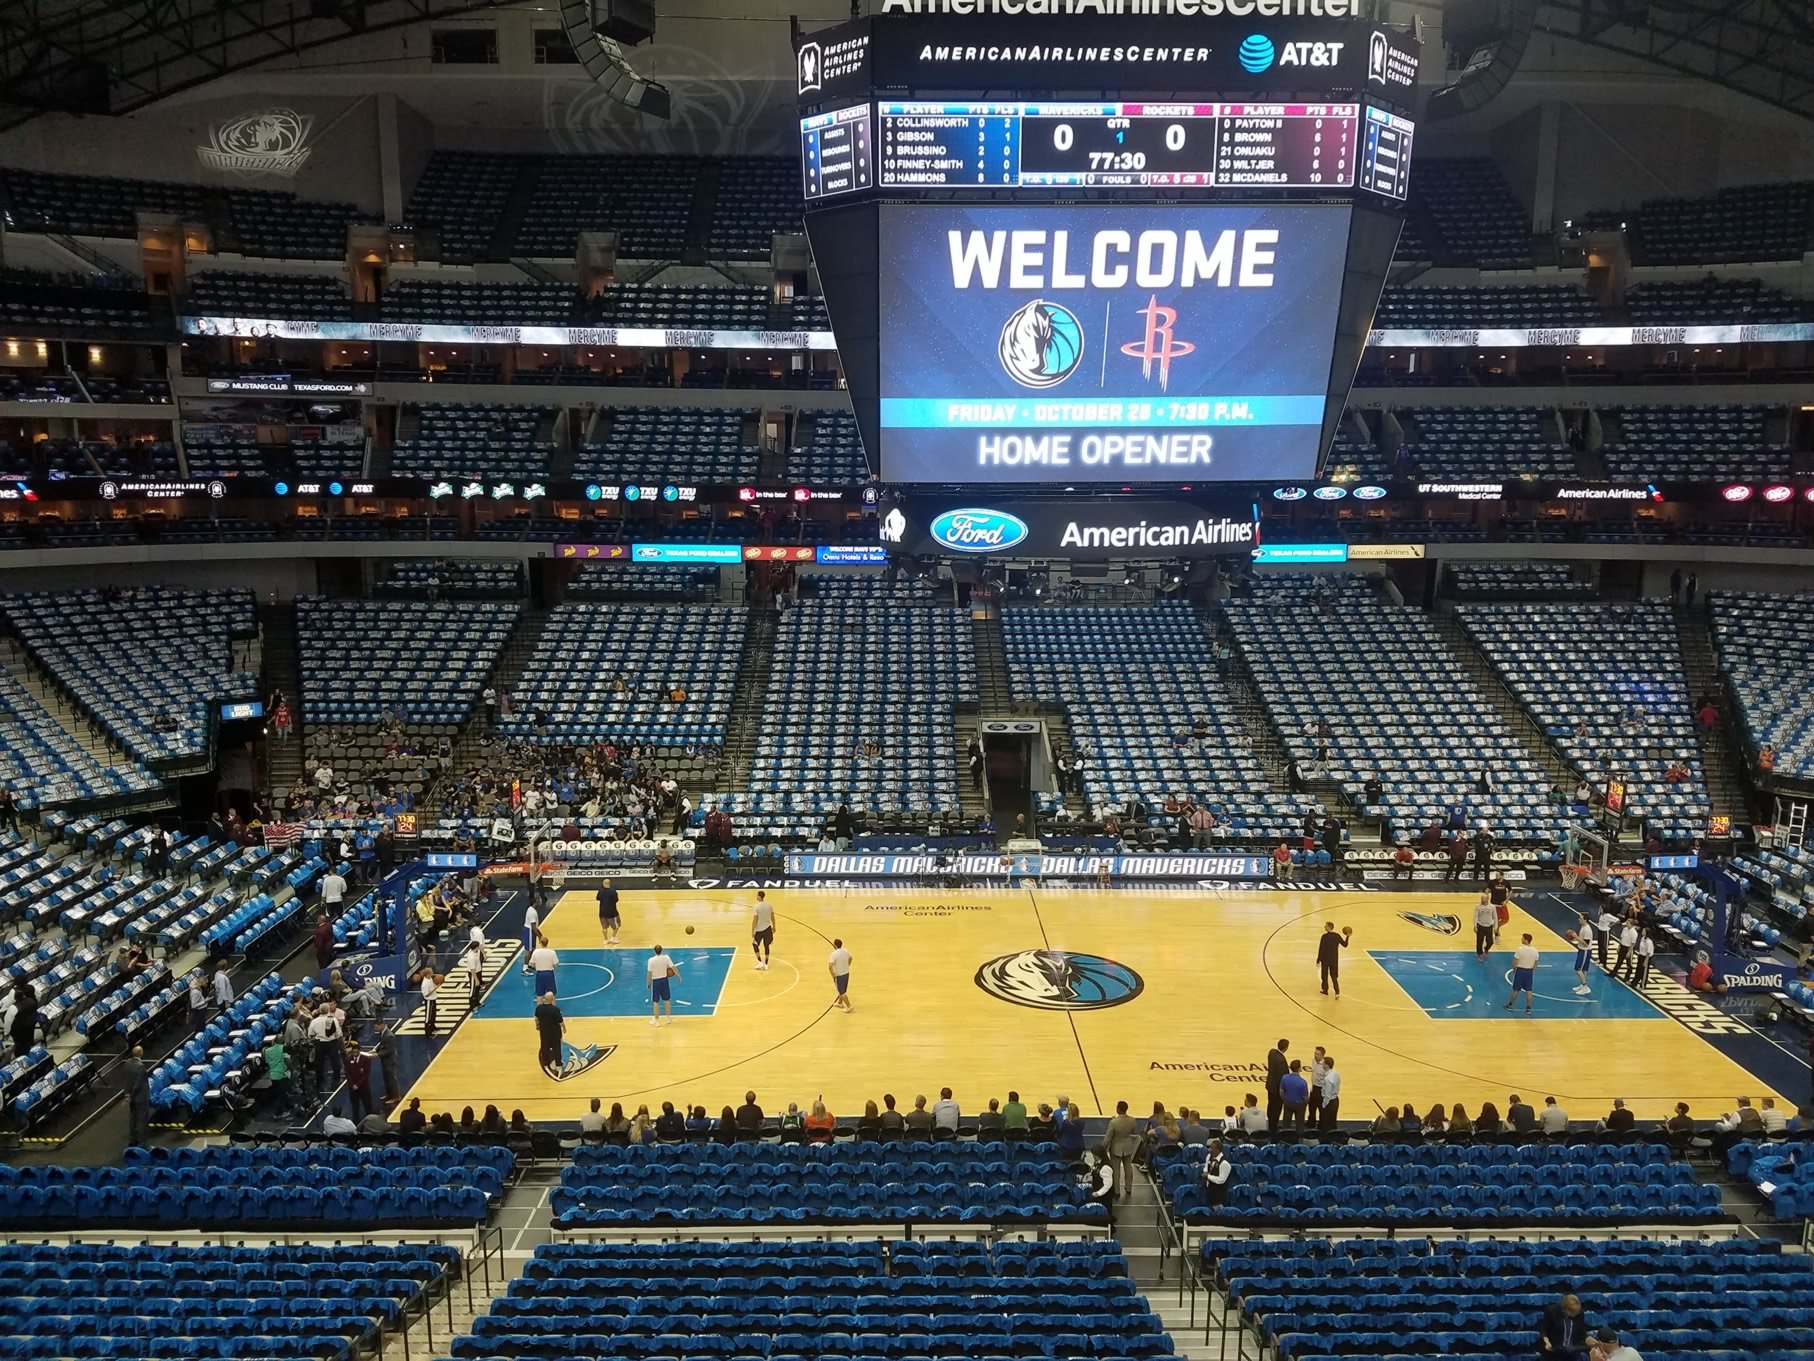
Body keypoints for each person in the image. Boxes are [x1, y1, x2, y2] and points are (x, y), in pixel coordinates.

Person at [1540, 1293, 1592, 1361]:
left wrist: (1590, 1340)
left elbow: (1582, 1332)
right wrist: (1547, 1343)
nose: (1574, 1315)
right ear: (1564, 1309)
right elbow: (1544, 1330)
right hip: (1555, 1349)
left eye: (1576, 1313)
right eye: (1572, 1313)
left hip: (1572, 1350)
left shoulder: (1580, 1313)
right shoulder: (1552, 1311)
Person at [1506, 933, 1539, 1014]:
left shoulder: (1520, 949)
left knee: (1516, 989)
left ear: (1526, 940)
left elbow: (1515, 961)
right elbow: (1535, 963)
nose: (1521, 939)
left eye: (1522, 938)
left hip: (1520, 971)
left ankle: (1509, 1005)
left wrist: (1514, 970)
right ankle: (1528, 1008)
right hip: (1529, 971)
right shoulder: (1535, 951)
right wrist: (1532, 972)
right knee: (1529, 990)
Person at [1315, 921, 1351, 997]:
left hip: (1325, 959)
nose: (1324, 927)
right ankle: (1337, 992)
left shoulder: (1324, 936)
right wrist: (1347, 937)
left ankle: (1325, 991)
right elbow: (1345, 945)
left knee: (1324, 976)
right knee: (1334, 976)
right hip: (1334, 959)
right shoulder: (1337, 936)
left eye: (1325, 926)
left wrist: (1318, 959)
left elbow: (1321, 948)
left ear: (1328, 927)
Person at [647, 945, 679, 1026]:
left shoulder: (651, 960)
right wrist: (678, 975)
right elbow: (673, 967)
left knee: (656, 1002)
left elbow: (649, 973)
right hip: (664, 981)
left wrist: (648, 982)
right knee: (667, 1000)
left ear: (654, 951)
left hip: (656, 982)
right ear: (662, 950)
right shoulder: (666, 957)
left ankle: (656, 1021)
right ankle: (668, 1018)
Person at [343, 1040, 376, 1120]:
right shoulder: (347, 1060)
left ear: (359, 1051)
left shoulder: (366, 1060)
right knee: (355, 1108)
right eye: (353, 1053)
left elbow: (366, 1075)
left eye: (356, 1052)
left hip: (364, 1088)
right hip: (352, 1089)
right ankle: (356, 1123)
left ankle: (370, 1122)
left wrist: (357, 1085)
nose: (355, 1054)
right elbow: (347, 1074)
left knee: (368, 1107)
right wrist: (352, 1085)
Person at [534, 992, 564, 1070]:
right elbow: (560, 1022)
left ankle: (545, 1063)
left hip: (544, 1033)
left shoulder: (539, 1008)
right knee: (557, 1049)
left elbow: (536, 1018)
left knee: (545, 1048)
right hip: (555, 1033)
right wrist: (564, 1028)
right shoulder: (555, 1009)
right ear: (552, 999)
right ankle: (558, 1065)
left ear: (544, 999)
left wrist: (537, 1025)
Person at [1199, 1138, 1233, 1208]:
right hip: (1209, 1190)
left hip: (1219, 1193)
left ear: (1218, 1150)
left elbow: (1221, 1180)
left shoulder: (1224, 1164)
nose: (1209, 1150)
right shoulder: (1209, 1156)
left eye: (1212, 1148)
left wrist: (1207, 1176)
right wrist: (1205, 1171)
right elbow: (1206, 1166)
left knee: (1218, 1215)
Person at [1265, 1038, 1290, 1131]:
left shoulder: (1271, 1052)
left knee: (1270, 1106)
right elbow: (1283, 1077)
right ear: (1286, 1048)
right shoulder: (1281, 1061)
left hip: (1270, 1085)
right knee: (1276, 1109)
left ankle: (1271, 1124)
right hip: (1276, 1089)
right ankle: (1273, 1127)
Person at [1279, 1060, 1310, 1129]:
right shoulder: (1303, 1082)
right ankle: (1299, 1136)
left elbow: (1281, 1091)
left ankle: (1285, 1136)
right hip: (1299, 1105)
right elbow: (1305, 1097)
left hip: (1288, 1102)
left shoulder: (1285, 1078)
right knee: (1300, 1123)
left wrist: (1284, 1100)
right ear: (1299, 1069)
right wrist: (1306, 1103)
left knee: (1286, 1122)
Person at [529, 933, 559, 1000]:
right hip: (549, 974)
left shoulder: (536, 952)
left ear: (540, 943)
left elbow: (531, 964)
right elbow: (556, 964)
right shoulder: (552, 952)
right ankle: (553, 1009)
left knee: (539, 994)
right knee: (552, 993)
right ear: (547, 943)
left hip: (540, 974)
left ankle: (539, 1010)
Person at [750, 890, 775, 970]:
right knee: (766, 945)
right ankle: (766, 964)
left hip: (759, 929)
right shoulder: (769, 905)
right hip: (768, 928)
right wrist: (774, 926)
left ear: (760, 896)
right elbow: (772, 917)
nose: (756, 896)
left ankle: (760, 962)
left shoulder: (756, 906)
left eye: (757, 895)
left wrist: (752, 930)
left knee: (755, 944)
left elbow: (755, 919)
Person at [827, 937, 853, 1012]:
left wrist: (833, 975)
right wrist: (847, 965)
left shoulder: (833, 954)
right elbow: (851, 958)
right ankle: (840, 1003)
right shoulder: (846, 951)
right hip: (846, 973)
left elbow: (830, 966)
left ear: (834, 945)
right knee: (843, 990)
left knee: (841, 992)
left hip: (839, 975)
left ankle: (849, 1006)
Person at [1317, 1055, 1340, 1130]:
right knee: (1333, 1121)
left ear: (1327, 1065)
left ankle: (1325, 1138)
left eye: (1323, 1063)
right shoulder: (1336, 1074)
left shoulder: (1327, 1079)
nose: (1322, 1065)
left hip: (1329, 1102)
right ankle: (1334, 1136)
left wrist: (1324, 1105)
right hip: (1335, 1099)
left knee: (1326, 1123)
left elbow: (1327, 1095)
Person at [1568, 929, 1594, 996]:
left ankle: (1585, 986)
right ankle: (1582, 985)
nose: (1579, 919)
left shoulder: (1587, 930)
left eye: (1580, 918)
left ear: (1585, 919)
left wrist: (1576, 937)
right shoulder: (1583, 928)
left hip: (1584, 951)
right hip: (1582, 951)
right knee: (1583, 969)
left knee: (1578, 968)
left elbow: (1585, 944)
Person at [1474, 894, 1498, 962]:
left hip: (1489, 927)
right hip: (1480, 926)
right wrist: (1475, 926)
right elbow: (1475, 916)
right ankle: (1480, 954)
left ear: (1487, 899)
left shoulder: (1492, 907)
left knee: (1490, 941)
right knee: (1479, 942)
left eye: (1483, 899)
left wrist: (1496, 927)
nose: (1481, 900)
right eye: (1481, 899)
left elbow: (1495, 917)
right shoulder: (1478, 907)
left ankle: (1486, 948)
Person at [597, 878, 620, 945]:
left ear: (603, 884)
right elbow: (616, 900)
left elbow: (597, 898)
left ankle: (606, 939)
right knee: (617, 925)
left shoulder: (600, 891)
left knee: (604, 927)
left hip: (602, 912)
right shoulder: (613, 891)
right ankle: (613, 937)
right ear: (610, 883)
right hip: (612, 912)